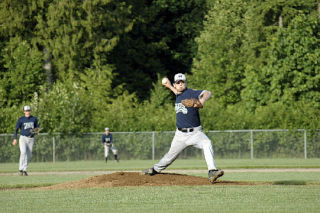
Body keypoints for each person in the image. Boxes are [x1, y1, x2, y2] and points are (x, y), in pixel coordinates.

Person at [143, 73, 224, 183]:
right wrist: (169, 86)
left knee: (207, 143)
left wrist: (201, 102)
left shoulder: (191, 92)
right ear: (175, 84)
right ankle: (155, 169)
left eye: (183, 82)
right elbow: (176, 91)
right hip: (180, 135)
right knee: (170, 156)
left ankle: (212, 171)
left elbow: (208, 92)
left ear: (186, 83)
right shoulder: (177, 94)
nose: (181, 84)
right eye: (178, 82)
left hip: (195, 133)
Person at [12, 105, 39, 176]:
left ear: (30, 111)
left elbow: (37, 128)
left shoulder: (34, 119)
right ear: (24, 112)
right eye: (26, 111)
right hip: (23, 138)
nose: (28, 112)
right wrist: (15, 138)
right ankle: (20, 169)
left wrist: (36, 131)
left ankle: (25, 170)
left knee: (29, 155)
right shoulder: (21, 119)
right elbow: (16, 129)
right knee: (23, 152)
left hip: (31, 139)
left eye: (29, 110)